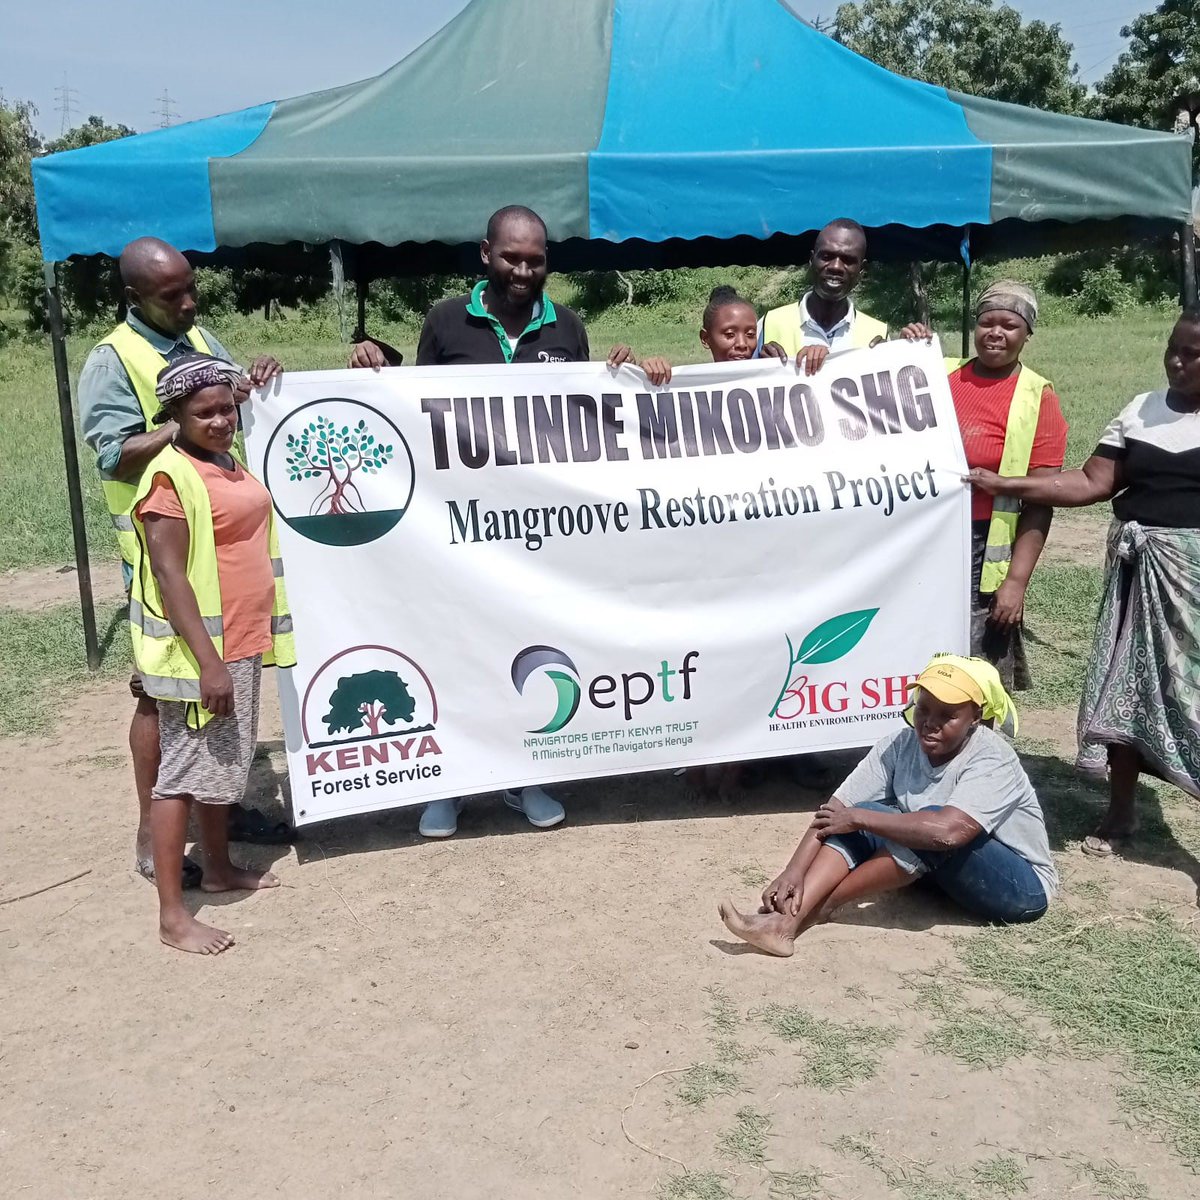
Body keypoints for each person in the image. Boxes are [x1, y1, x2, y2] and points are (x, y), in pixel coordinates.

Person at [350, 204, 660, 837]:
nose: (524, 269)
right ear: (486, 254)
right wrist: (372, 368)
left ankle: (526, 777)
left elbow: (586, 424)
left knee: (531, 650)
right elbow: (415, 414)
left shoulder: (568, 327)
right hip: (458, 528)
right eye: (512, 257)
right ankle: (448, 784)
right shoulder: (444, 320)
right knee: (458, 648)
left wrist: (629, 378)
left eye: (536, 258)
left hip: (540, 533)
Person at [78, 238, 289, 889]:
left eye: (191, 288)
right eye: (172, 297)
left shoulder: (200, 335)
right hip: (160, 555)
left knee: (222, 694)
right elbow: (113, 452)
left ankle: (220, 807)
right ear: (134, 297)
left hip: (222, 550)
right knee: (162, 696)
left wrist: (247, 387)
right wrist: (186, 419)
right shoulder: (114, 359)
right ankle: (154, 827)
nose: (189, 302)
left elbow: (232, 401)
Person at [969, 309, 1200, 859]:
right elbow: (1092, 480)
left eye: (1193, 355)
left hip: (1192, 579)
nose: (1177, 361)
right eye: (1173, 348)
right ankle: (1122, 811)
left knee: (1192, 695)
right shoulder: (1141, 410)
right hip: (1135, 574)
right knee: (1125, 686)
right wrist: (1006, 483)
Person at [718, 654, 1056, 957]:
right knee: (867, 814)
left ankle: (808, 911)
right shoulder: (898, 744)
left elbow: (949, 832)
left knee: (924, 826)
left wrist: (860, 818)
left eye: (947, 715)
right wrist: (793, 871)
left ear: (975, 718)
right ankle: (787, 920)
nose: (929, 722)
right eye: (923, 708)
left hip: (1019, 889)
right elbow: (836, 809)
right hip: (945, 876)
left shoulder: (991, 757)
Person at [131, 354, 296, 953]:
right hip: (200, 653)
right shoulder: (172, 479)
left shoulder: (225, 462)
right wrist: (208, 663)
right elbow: (172, 577)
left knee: (220, 766)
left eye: (227, 407)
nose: (221, 420)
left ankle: (220, 869)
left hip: (240, 639)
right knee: (180, 776)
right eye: (204, 413)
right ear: (174, 416)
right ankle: (173, 915)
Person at [902, 281, 1067, 690]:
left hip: (984, 550)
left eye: (1009, 325)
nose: (996, 333)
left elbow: (1041, 499)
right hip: (922, 540)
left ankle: (978, 750)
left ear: (1027, 333)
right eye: (986, 322)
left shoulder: (1036, 396)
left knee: (976, 669)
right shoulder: (938, 373)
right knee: (916, 647)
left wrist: (1015, 582)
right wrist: (904, 349)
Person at [758, 218, 888, 375]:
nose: (836, 267)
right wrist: (758, 364)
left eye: (848, 260)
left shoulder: (878, 335)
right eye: (827, 256)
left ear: (862, 270)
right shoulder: (770, 323)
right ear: (812, 260)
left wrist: (917, 345)